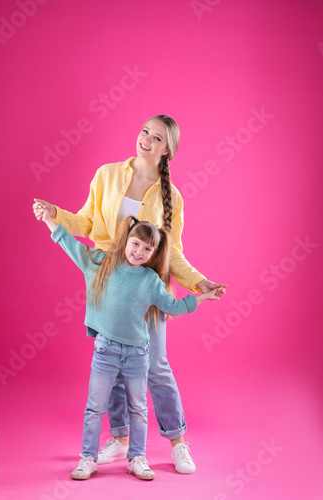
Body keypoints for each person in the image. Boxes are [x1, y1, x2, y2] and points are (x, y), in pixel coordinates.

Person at [33, 114, 227, 474]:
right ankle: (121, 440)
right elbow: (86, 222)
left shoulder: (173, 197)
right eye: (144, 132)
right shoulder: (107, 174)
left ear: (168, 150)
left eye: (157, 139)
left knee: (155, 365)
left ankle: (178, 441)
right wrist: (54, 213)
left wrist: (199, 283)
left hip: (147, 287)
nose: (147, 140)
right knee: (114, 364)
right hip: (108, 279)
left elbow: (173, 254)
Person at [39, 207, 224, 481]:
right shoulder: (101, 264)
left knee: (139, 408)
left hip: (138, 354)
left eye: (147, 249)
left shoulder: (150, 280)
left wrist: (204, 296)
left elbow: (173, 306)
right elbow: (71, 245)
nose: (139, 252)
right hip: (105, 351)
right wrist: (49, 220)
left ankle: (137, 458)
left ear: (153, 254)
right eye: (135, 244)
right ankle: (87, 459)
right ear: (126, 240)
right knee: (94, 407)